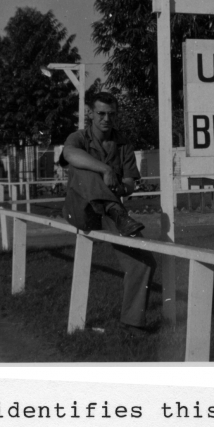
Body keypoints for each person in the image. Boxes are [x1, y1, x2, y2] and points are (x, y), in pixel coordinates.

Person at [60, 91, 156, 335]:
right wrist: (104, 170)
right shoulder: (78, 137)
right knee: (81, 167)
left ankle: (132, 322)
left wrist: (117, 186)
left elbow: (130, 185)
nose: (106, 119)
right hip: (80, 209)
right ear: (91, 114)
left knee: (143, 261)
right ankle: (114, 208)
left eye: (111, 114)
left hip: (113, 213)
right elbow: (69, 155)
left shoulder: (123, 144)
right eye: (101, 113)